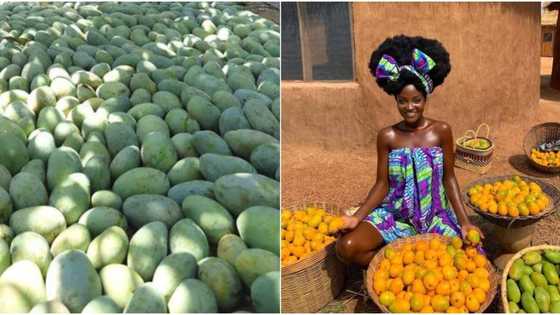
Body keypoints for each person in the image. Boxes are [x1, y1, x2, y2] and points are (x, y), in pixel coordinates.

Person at [335, 35, 484, 268]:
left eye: (416, 100)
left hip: (435, 216)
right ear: (395, 100)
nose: (410, 107)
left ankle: (412, 260)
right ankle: (401, 264)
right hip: (396, 216)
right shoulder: (388, 136)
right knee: (347, 247)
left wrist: (464, 222)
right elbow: (381, 184)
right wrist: (357, 217)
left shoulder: (441, 132)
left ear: (425, 99)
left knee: (470, 258)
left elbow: (449, 178)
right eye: (402, 101)